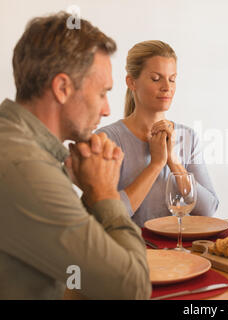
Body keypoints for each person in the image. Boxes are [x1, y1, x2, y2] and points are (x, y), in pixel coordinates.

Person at [0, 12, 151, 299]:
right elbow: (131, 289)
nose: (107, 109)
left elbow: (79, 272)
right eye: (103, 93)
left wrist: (92, 195)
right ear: (62, 88)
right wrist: (106, 194)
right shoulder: (26, 169)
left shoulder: (18, 145)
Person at [97, 40, 219, 227]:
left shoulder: (188, 137)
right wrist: (156, 164)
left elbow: (208, 210)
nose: (166, 87)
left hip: (178, 252)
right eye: (156, 78)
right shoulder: (107, 139)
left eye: (172, 79)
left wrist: (173, 160)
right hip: (130, 252)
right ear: (132, 82)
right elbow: (109, 217)